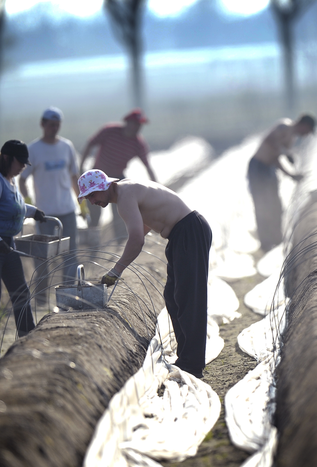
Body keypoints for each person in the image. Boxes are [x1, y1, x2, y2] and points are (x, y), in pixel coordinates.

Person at [76, 169, 211, 379]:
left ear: (105, 186)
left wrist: (116, 269)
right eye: (87, 198)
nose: (92, 201)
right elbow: (146, 222)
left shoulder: (125, 196)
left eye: (92, 195)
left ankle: (192, 365)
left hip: (188, 231)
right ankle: (186, 358)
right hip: (180, 235)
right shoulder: (126, 192)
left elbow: (137, 240)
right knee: (174, 298)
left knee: (189, 299)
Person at [0, 140, 47, 364]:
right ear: (7, 158)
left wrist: (33, 212)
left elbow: (14, 207)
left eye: (25, 162)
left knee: (20, 292)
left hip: (5, 242)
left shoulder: (9, 181)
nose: (23, 166)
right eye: (20, 162)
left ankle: (27, 339)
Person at [18, 106, 83, 303]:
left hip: (67, 210)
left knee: (70, 255)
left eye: (57, 125)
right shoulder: (33, 150)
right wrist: (29, 205)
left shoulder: (67, 147)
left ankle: (66, 296)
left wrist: (83, 203)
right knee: (43, 258)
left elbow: (74, 175)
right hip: (45, 214)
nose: (54, 129)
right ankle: (41, 299)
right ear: (42, 124)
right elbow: (22, 180)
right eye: (50, 125)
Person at [79, 109, 157, 239]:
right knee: (94, 209)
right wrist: (81, 166)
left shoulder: (138, 143)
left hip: (116, 178)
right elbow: (90, 144)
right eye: (135, 124)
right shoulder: (110, 131)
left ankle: (120, 241)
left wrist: (156, 187)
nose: (138, 127)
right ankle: (93, 238)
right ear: (127, 122)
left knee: (121, 210)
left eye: (140, 125)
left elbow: (148, 166)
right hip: (97, 177)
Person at [248, 113, 315, 251]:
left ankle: (276, 240)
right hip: (258, 167)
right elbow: (272, 142)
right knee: (262, 205)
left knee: (275, 205)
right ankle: (265, 243)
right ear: (304, 125)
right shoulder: (284, 126)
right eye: (307, 131)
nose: (306, 134)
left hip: (269, 169)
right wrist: (286, 153)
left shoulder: (291, 139)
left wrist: (292, 174)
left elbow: (276, 159)